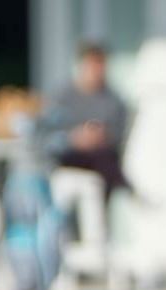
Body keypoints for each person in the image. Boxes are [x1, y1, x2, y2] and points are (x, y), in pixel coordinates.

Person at [37, 39, 131, 199]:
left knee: (103, 161)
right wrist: (72, 138)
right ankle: (126, 186)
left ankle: (123, 184)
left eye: (100, 65)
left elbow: (118, 136)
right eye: (92, 65)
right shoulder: (62, 96)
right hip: (67, 160)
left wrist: (100, 137)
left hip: (99, 161)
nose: (97, 71)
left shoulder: (112, 100)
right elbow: (45, 132)